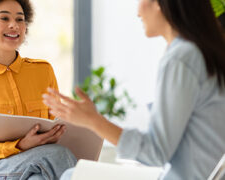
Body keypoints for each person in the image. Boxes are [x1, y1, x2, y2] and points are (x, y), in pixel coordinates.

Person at [42, 0, 225, 179]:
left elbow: (155, 152)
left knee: (72, 175)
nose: (138, 12)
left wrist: (93, 120)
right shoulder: (203, 51)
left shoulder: (182, 58)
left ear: (160, 4)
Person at [0, 0, 77, 179]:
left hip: (43, 161)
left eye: (20, 20)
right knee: (59, 155)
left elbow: (55, 126)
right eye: (4, 18)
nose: (14, 25)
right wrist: (20, 144)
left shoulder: (43, 71)